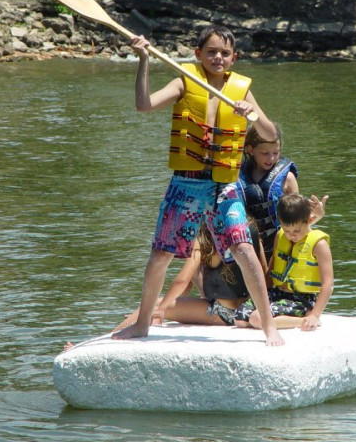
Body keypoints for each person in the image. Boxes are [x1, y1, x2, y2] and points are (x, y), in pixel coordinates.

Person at [113, 25, 284, 346]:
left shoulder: (242, 90)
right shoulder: (183, 80)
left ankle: (269, 326)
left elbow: (270, 133)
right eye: (211, 52)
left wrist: (252, 114)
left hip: (224, 186)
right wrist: (143, 60)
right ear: (198, 54)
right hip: (186, 184)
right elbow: (144, 105)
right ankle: (143, 324)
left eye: (224, 53)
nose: (218, 57)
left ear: (233, 58)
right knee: (160, 256)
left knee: (245, 249)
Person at [112, 221, 266, 331]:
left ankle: (112, 338)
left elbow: (182, 281)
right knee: (159, 304)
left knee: (152, 306)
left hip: (223, 312)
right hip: (247, 307)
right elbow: (264, 272)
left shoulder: (204, 239)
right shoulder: (250, 230)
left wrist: (161, 310)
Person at [235, 193, 333, 332]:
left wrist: (315, 315)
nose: (292, 235)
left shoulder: (319, 245)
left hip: (301, 299)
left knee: (257, 319)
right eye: (287, 230)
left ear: (309, 220)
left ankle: (304, 319)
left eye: (296, 230)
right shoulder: (280, 236)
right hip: (278, 293)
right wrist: (262, 294)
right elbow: (272, 269)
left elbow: (328, 284)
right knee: (240, 317)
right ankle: (283, 319)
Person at [237, 124, 327, 263]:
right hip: (247, 246)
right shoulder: (237, 176)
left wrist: (318, 215)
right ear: (250, 150)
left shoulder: (287, 179)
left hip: (278, 246)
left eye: (276, 152)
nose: (271, 158)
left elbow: (298, 222)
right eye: (265, 153)